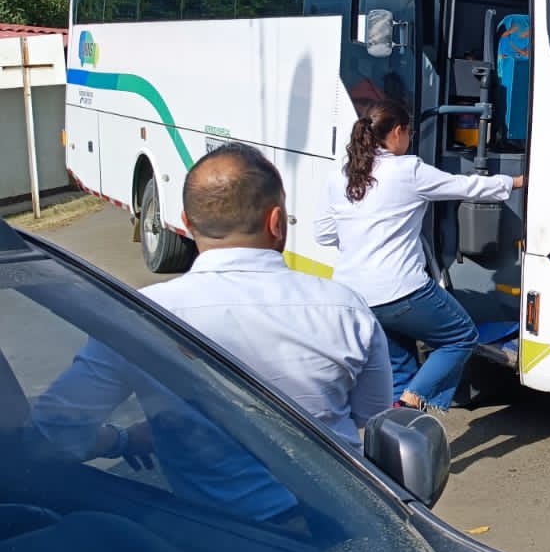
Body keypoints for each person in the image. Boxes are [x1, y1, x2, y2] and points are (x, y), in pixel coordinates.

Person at [33, 143, 390, 517]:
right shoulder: (347, 308)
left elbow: (55, 427)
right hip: (346, 530)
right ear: (276, 222)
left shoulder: (140, 316)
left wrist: (121, 439)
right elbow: (373, 416)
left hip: (219, 542)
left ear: (186, 223)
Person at [317, 100, 525, 412]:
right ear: (398, 132)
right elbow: (465, 187)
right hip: (401, 290)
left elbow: (323, 234)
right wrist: (516, 181)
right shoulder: (407, 170)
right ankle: (412, 401)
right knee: (461, 337)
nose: (410, 139)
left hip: (357, 294)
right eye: (409, 133)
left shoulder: (342, 176)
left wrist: (361, 236)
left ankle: (398, 430)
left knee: (401, 367)